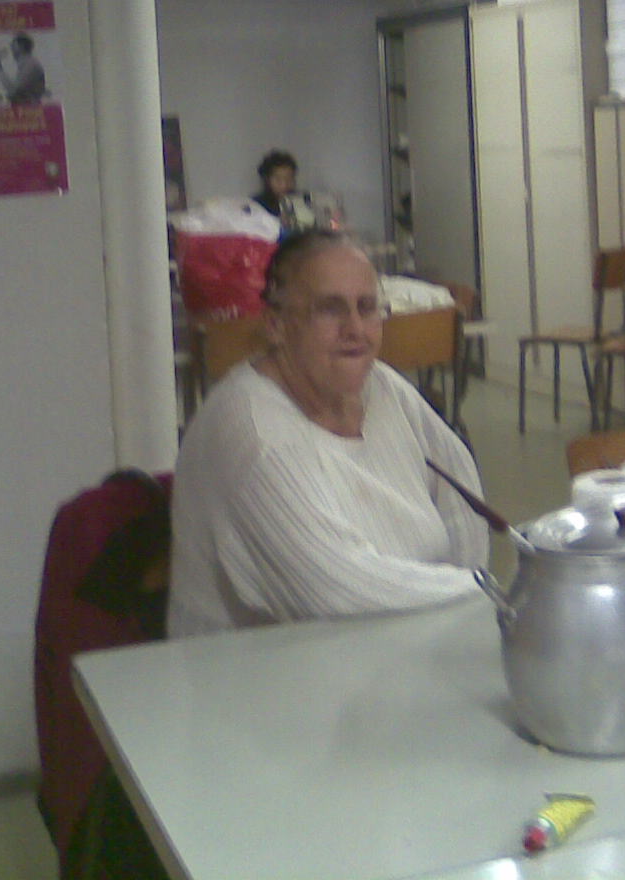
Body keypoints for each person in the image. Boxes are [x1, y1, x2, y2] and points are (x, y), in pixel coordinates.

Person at [167, 228, 489, 636]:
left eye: (367, 307)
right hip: (267, 670)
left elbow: (462, 498)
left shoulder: (382, 387)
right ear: (276, 325)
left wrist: (463, 616)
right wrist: (486, 594)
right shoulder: (255, 437)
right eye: (329, 310)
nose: (355, 329)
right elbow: (338, 595)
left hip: (404, 644)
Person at [0, 32, 48, 105]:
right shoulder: (28, 64)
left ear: (21, 46)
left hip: (29, 107)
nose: (11, 49)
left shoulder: (30, 64)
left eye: (13, 45)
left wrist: (0, 70)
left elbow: (14, 91)